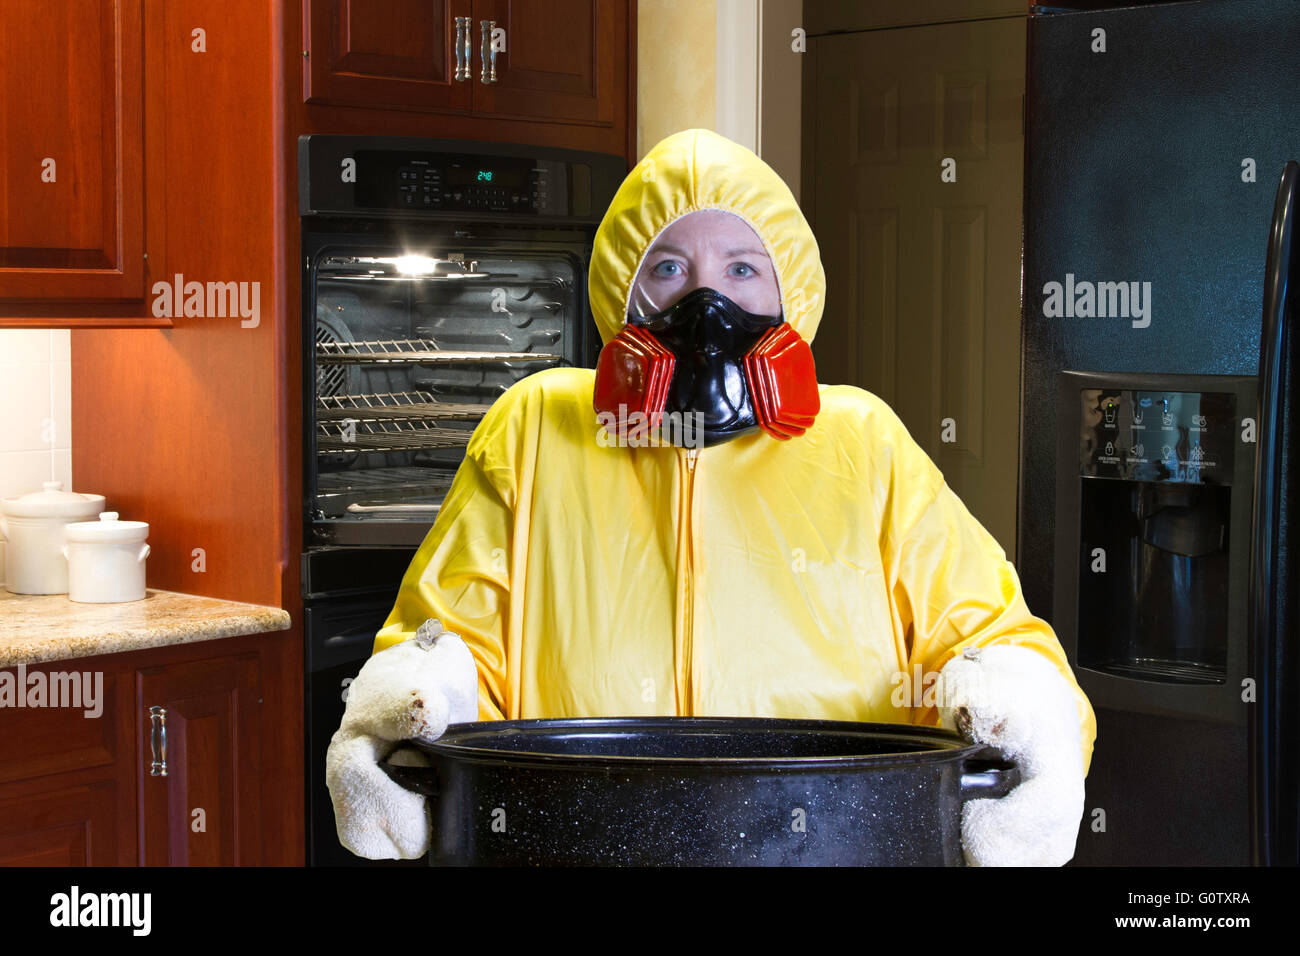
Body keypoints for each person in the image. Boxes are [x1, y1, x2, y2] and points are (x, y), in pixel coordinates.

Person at [326, 128, 1096, 866]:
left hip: (823, 851)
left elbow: (987, 639)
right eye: (666, 270)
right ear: (621, 298)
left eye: (741, 270)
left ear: (787, 290)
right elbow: (449, 643)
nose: (705, 306)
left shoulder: (863, 445)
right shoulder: (536, 434)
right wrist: (399, 716)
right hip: (578, 842)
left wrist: (1029, 725)